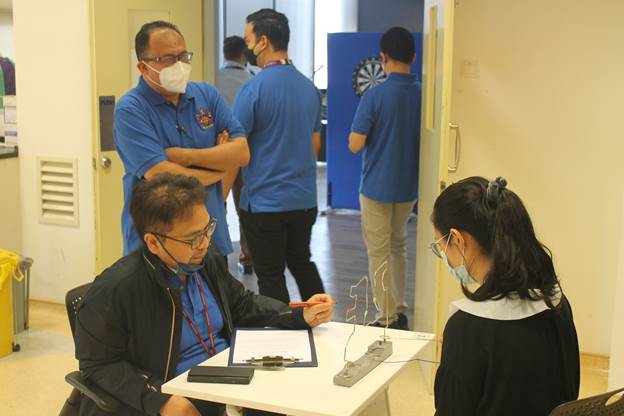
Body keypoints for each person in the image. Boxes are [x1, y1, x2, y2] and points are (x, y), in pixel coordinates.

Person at [75, 173, 335, 416]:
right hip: (177, 394)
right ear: (153, 242)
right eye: (192, 239)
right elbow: (98, 364)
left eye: (207, 229)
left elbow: (242, 304)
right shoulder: (116, 290)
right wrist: (159, 400)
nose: (205, 243)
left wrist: (298, 314)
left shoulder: (205, 260)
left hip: (227, 379)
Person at [430, 176, 580, 416]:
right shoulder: (556, 303)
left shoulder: (466, 328)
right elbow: (569, 394)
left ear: (457, 239)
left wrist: (457, 350)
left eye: (441, 247)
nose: (445, 257)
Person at [114, 21, 249, 261]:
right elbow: (159, 173)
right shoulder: (131, 109)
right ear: (143, 67)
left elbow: (241, 153)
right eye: (167, 59)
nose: (179, 65)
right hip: (159, 243)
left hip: (210, 238)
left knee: (216, 287)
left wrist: (184, 157)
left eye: (183, 56)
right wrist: (217, 169)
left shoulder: (206, 95)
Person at [232, 9, 325, 303]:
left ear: (263, 42)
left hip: (264, 203)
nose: (246, 47)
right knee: (302, 263)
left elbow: (235, 148)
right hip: (303, 200)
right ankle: (320, 318)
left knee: (270, 275)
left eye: (248, 40)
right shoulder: (309, 89)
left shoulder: (252, 90)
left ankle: (281, 329)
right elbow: (314, 147)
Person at [348, 27, 421, 330]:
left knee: (378, 252)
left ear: (383, 58)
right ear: (413, 57)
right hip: (408, 188)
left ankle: (386, 317)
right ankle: (399, 309)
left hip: (376, 188)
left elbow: (354, 144)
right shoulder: (423, 94)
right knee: (398, 245)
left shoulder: (375, 95)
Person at [215, 35, 254, 274]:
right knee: (243, 206)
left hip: (214, 151)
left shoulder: (212, 78)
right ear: (243, 55)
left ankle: (216, 252)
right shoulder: (252, 81)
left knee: (216, 202)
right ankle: (247, 257)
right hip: (242, 151)